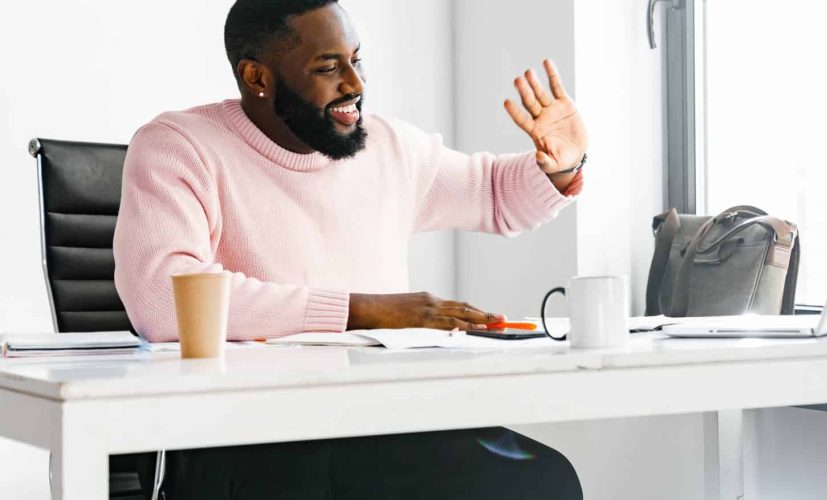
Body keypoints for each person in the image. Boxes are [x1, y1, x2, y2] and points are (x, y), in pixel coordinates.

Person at [112, 0, 587, 498]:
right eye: (328, 66)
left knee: (542, 480)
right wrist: (363, 310)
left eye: (356, 60)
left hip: (374, 416)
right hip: (239, 437)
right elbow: (163, 301)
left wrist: (561, 165)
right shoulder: (179, 146)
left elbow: (494, 192)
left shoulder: (385, 147)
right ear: (257, 76)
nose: (355, 85)